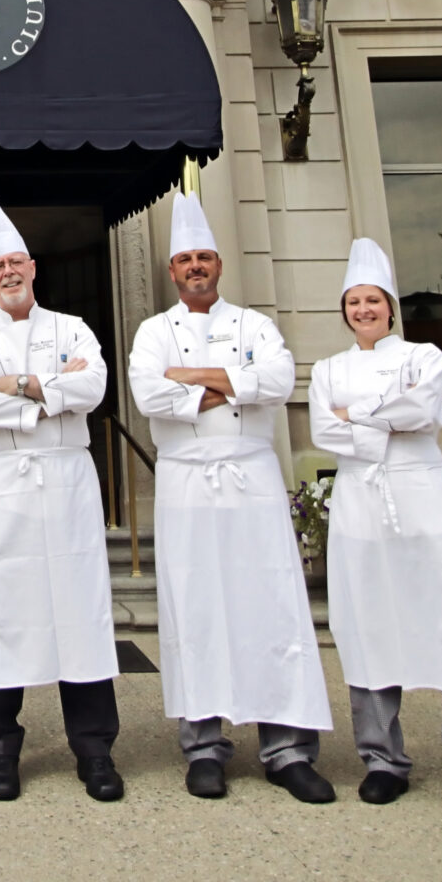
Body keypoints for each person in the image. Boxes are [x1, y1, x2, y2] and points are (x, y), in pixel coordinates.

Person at [128, 194, 335, 802]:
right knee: (197, 610)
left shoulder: (256, 324)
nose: (195, 267)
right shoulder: (152, 332)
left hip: (252, 481)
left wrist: (192, 379)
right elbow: (148, 395)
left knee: (270, 605)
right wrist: (235, 387)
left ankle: (288, 750)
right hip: (187, 482)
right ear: (172, 271)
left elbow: (279, 380)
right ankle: (204, 746)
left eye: (204, 258)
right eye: (185, 259)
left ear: (219, 265)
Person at [308, 238, 442, 821]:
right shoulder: (328, 369)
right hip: (360, 508)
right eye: (354, 302)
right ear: (344, 311)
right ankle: (382, 761)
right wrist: (381, 417)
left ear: (390, 307)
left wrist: (358, 417)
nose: (364, 310)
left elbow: (422, 413)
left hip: (424, 502)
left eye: (373, 300)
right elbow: (326, 431)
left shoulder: (425, 357)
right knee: (368, 625)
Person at [0, 198, 123, 803]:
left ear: (33, 266)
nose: (8, 272)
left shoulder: (72, 327)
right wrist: (54, 389)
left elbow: (95, 387)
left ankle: (95, 749)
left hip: (68, 481)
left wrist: (18, 385)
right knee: (1, 612)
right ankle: (0, 750)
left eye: (16, 261)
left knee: (81, 609)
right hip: (2, 487)